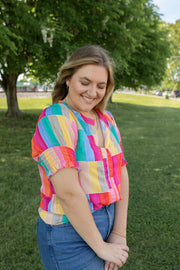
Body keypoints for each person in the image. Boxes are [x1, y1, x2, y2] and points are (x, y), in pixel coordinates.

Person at [32, 45, 129, 270]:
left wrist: (118, 233)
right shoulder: (55, 120)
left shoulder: (107, 119)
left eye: (101, 86)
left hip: (107, 222)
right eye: (85, 82)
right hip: (67, 232)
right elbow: (68, 193)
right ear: (68, 79)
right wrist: (101, 247)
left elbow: (121, 173)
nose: (92, 92)